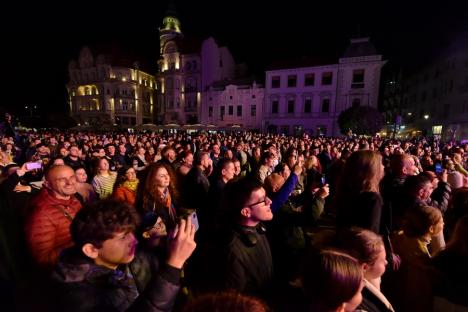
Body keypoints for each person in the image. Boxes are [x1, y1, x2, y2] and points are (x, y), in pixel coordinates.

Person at [52, 199, 196, 312]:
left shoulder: (123, 261)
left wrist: (167, 247)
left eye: (131, 233)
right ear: (91, 250)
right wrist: (173, 263)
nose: (134, 240)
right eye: (123, 237)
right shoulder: (77, 298)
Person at [222, 178, 273, 298]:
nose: (269, 201)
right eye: (263, 201)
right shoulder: (232, 252)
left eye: (267, 197)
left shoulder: (258, 229)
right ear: (246, 212)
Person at [26, 165, 82, 269]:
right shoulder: (42, 213)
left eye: (72, 177)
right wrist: (80, 243)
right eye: (61, 180)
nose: (70, 182)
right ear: (48, 184)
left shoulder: (73, 199)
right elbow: (42, 259)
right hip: (64, 273)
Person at [334, 228, 394, 312]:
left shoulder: (370, 278)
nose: (386, 262)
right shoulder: (357, 302)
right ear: (365, 267)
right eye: (382, 259)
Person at [335, 150, 385, 234]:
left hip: (344, 241)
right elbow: (370, 235)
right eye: (380, 164)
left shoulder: (346, 190)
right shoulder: (372, 198)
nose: (383, 166)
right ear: (371, 169)